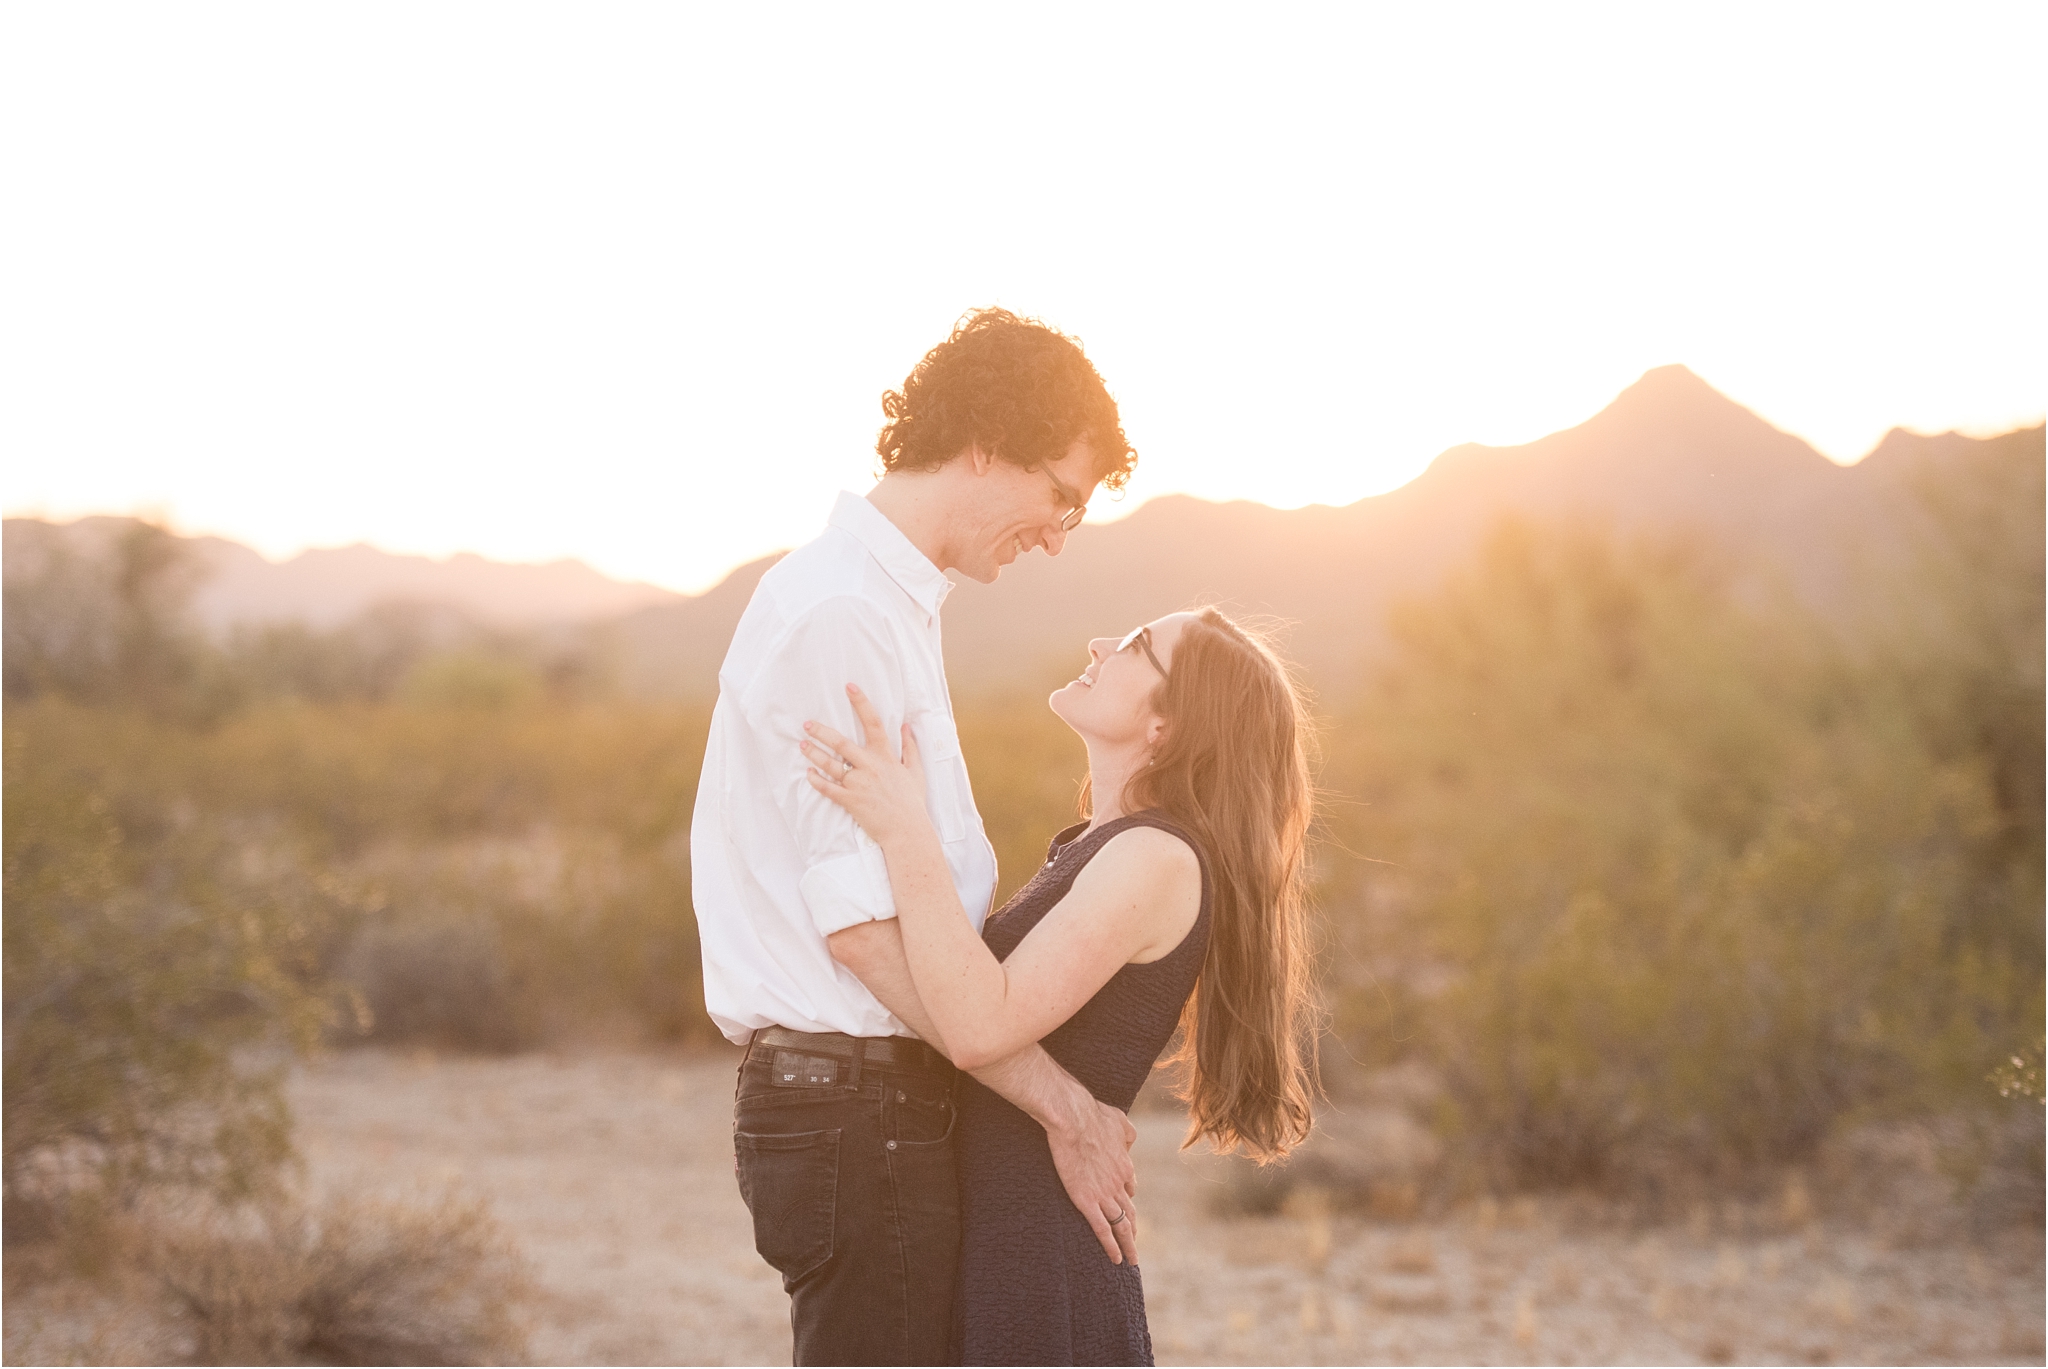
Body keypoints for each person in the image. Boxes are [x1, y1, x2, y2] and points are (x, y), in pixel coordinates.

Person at [691, 308, 1146, 1366]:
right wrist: (1061, 1106)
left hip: (876, 1107)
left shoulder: (891, 607)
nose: (1059, 534)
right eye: (1059, 497)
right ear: (984, 443)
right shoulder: (844, 613)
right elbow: (861, 935)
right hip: (857, 1110)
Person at [801, 606, 1319, 1366]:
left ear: (1166, 727)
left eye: (1139, 647)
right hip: (997, 1225)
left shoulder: (1156, 857)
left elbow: (978, 1023)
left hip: (1035, 1246)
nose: (1101, 643)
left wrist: (902, 828)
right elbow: (960, 1005)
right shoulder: (1096, 847)